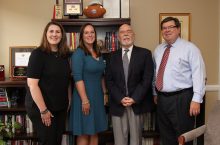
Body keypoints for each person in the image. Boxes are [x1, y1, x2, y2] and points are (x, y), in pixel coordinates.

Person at [153, 17, 206, 145]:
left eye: (170, 27)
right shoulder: (158, 50)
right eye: (164, 28)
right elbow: (156, 73)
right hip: (162, 99)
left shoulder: (190, 48)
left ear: (178, 29)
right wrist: (155, 93)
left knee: (183, 137)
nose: (167, 30)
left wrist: (196, 99)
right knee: (166, 136)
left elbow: (199, 74)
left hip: (182, 98)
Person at [105, 24, 154, 145]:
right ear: (118, 37)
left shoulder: (145, 54)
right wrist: (120, 98)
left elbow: (147, 79)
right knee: (119, 141)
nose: (126, 34)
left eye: (129, 31)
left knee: (136, 141)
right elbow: (109, 81)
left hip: (137, 104)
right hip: (118, 104)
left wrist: (134, 98)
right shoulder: (111, 56)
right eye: (122, 32)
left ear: (134, 35)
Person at [25, 21, 71, 145]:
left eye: (57, 32)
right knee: (48, 141)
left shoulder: (65, 55)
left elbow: (66, 81)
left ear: (62, 35)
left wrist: (68, 102)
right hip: (41, 106)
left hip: (60, 106)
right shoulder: (38, 54)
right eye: (51, 31)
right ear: (46, 34)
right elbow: (32, 85)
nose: (54, 34)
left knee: (56, 140)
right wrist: (44, 110)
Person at [69, 23, 108, 145]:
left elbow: (101, 75)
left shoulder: (98, 52)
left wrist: (105, 92)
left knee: (95, 130)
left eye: (92, 32)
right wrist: (85, 100)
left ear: (95, 35)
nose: (90, 35)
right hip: (84, 97)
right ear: (81, 36)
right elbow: (77, 78)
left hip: (97, 96)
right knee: (84, 131)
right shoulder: (78, 54)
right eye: (86, 32)